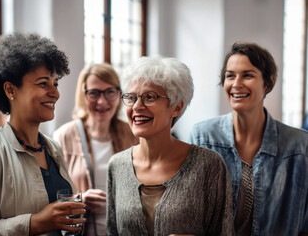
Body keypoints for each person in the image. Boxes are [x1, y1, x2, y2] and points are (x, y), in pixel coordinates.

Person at [0, 32, 86, 236]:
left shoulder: (52, 148)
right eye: (43, 83)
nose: (55, 93)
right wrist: (35, 223)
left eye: (55, 84)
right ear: (11, 90)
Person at [189, 42, 308, 236]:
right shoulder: (203, 137)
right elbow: (191, 213)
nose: (236, 84)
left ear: (267, 83)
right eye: (230, 76)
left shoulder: (300, 145)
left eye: (248, 75)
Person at [107, 56, 234, 236]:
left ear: (176, 107)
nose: (137, 106)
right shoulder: (116, 166)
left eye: (149, 97)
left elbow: (224, 231)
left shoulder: (208, 165)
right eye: (132, 97)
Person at [53, 63, 138, 235]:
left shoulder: (133, 134)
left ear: (119, 94)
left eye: (110, 92)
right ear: (83, 95)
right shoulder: (63, 137)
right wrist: (79, 200)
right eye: (93, 93)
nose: (102, 101)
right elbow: (50, 199)